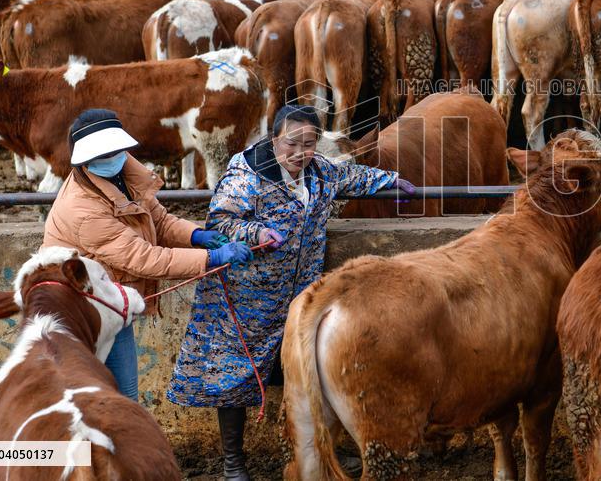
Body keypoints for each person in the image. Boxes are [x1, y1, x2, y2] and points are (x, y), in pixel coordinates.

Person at [166, 104, 416, 481]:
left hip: (299, 298)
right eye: (292, 143)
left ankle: (314, 452)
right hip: (247, 297)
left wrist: (389, 180)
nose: (300, 153)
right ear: (274, 139)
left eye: (310, 143)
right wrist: (256, 233)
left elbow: (349, 176)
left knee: (304, 372)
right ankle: (234, 464)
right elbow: (221, 220)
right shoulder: (247, 173)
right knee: (234, 375)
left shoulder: (318, 172)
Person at [43, 109, 252, 401]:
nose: (112, 159)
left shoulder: (123, 173)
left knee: (123, 394)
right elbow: (143, 257)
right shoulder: (82, 210)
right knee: (89, 397)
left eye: (115, 151)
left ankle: (118, 444)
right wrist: (210, 259)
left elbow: (159, 220)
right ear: (85, 161)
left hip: (108, 300)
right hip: (78, 309)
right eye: (102, 156)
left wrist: (197, 236)